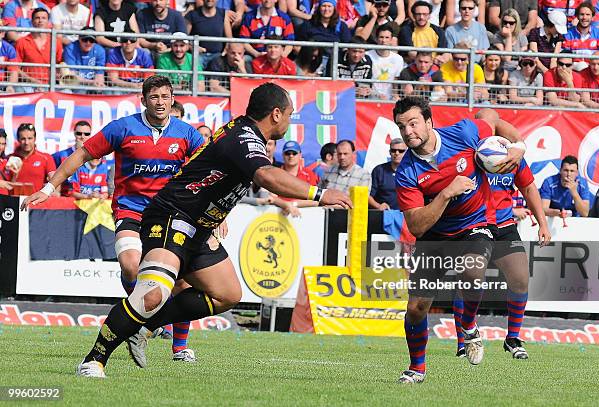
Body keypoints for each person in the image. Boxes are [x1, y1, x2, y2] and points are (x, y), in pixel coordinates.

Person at [67, 82, 352, 378]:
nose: (290, 122)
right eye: (291, 114)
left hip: (199, 227)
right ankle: (93, 360)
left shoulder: (245, 134)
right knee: (152, 295)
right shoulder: (245, 139)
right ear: (277, 114)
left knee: (227, 294)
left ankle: (146, 326)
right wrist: (319, 194)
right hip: (171, 217)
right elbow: (266, 176)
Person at [21, 76, 206, 366]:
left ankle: (179, 348)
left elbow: (209, 171)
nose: (160, 102)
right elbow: (82, 154)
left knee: (181, 282)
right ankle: (145, 320)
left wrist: (215, 213)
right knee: (131, 266)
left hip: (169, 215)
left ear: (173, 100)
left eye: (165, 96)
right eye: (154, 96)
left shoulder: (187, 134)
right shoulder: (123, 128)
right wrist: (48, 188)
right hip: (130, 210)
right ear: (143, 100)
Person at [393, 96, 526, 384]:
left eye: (413, 123)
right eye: (402, 126)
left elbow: (490, 115)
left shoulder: (463, 133)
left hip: (473, 224)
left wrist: (518, 146)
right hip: (434, 236)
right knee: (416, 309)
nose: (408, 131)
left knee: (472, 267)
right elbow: (416, 226)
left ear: (429, 122)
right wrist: (445, 193)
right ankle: (417, 369)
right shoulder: (406, 172)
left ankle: (467, 327)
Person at [453, 159, 550, 360]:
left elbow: (529, 188)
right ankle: (464, 342)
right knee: (468, 280)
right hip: (474, 224)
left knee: (521, 278)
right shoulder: (468, 152)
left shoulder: (514, 157)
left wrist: (543, 224)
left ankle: (512, 338)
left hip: (505, 226)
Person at [14, 8, 63, 91]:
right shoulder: (22, 42)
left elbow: (59, 64)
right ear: (32, 21)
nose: (40, 21)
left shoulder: (56, 42)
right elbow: (15, 67)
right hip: (28, 84)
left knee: (67, 92)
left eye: (44, 18)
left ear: (48, 22)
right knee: (19, 90)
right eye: (37, 18)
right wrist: (32, 80)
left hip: (51, 85)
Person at [185, 0, 233, 69]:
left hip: (217, 55)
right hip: (198, 55)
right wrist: (192, 47)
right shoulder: (192, 15)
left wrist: (225, 52)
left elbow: (229, 40)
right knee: (193, 63)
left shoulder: (223, 14)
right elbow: (184, 38)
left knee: (218, 64)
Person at [9, 123, 56, 192]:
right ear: (18, 139)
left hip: (36, 201)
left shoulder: (46, 158)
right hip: (13, 200)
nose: (26, 142)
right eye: (23, 139)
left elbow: (55, 181)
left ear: (35, 139)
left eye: (30, 138)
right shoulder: (9, 159)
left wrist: (54, 194)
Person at [52, 121, 92, 196]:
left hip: (89, 200)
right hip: (67, 199)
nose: (82, 137)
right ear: (74, 134)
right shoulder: (61, 155)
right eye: (79, 133)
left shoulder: (96, 157)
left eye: (86, 134)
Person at [562, 2, 599, 67]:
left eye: (588, 14)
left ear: (592, 17)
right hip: (573, 70)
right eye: (582, 14)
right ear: (577, 16)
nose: (584, 17)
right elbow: (565, 58)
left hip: (593, 69)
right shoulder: (568, 34)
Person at [366, 24, 404, 100]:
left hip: (389, 100)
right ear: (376, 39)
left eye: (387, 37)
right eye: (381, 37)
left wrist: (395, 96)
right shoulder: (367, 56)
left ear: (391, 39)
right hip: (370, 99)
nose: (384, 41)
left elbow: (395, 81)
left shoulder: (398, 59)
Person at [61, 28, 106, 92]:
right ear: (79, 39)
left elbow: (100, 75)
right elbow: (72, 76)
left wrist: (99, 84)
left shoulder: (100, 50)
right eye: (85, 40)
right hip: (75, 83)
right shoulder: (70, 48)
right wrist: (91, 82)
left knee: (103, 91)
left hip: (92, 83)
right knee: (80, 89)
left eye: (91, 40)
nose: (88, 43)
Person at [368, 138, 406, 210]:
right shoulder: (379, 170)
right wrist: (379, 206)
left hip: (406, 216)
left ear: (406, 153)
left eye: (401, 151)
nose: (396, 153)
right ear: (389, 152)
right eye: (393, 150)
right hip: (384, 215)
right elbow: (367, 196)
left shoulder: (412, 171)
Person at [491, 8, 528, 72]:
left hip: (518, 70)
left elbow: (523, 58)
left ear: (516, 24)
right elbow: (506, 58)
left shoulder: (521, 36)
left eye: (511, 23)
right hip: (503, 69)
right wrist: (508, 37)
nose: (507, 25)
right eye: (505, 22)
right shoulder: (497, 36)